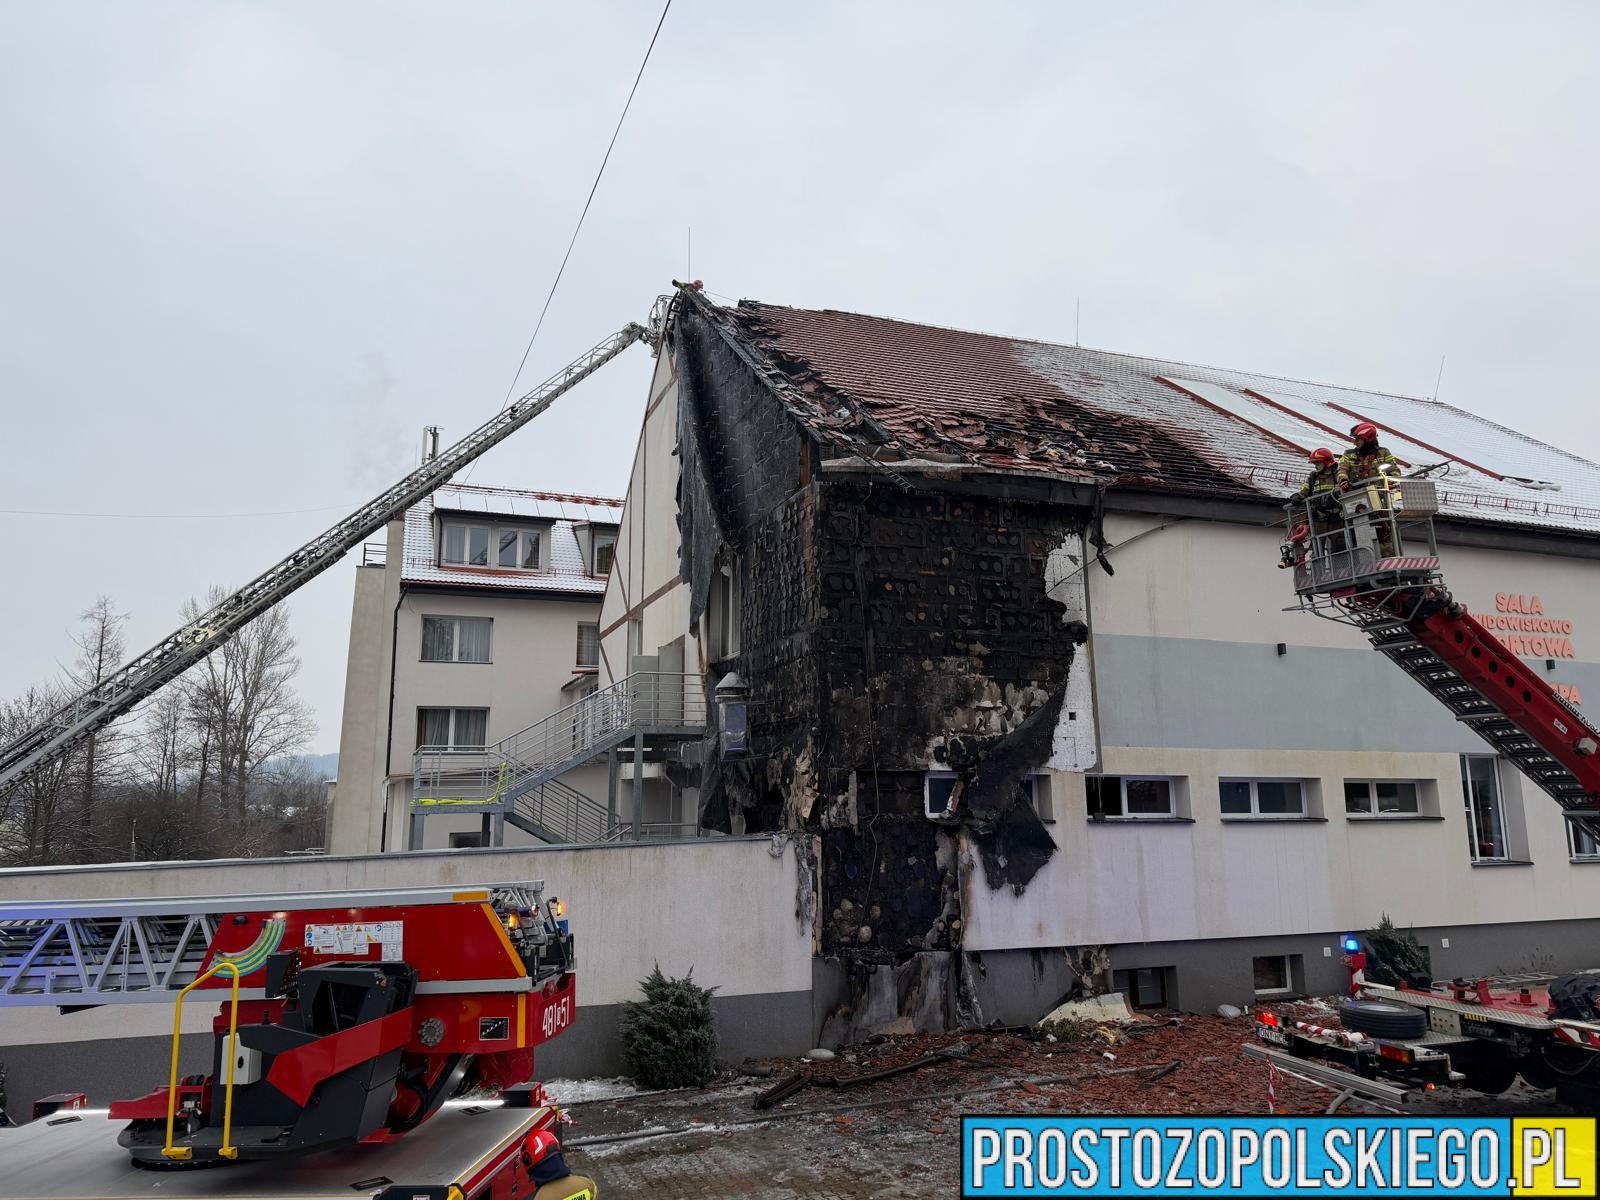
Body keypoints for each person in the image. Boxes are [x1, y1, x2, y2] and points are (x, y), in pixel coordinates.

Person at [1338, 422, 1400, 557]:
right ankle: (1363, 558)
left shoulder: (1383, 453)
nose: (1355, 442)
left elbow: (1395, 471)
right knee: (1358, 532)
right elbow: (1342, 470)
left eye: (1358, 439)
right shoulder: (1348, 454)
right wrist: (1343, 480)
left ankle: (1387, 557)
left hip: (1380, 501)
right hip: (1356, 502)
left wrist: (1390, 481)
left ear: (1368, 439)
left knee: (1384, 529)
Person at [1282, 447, 1344, 564]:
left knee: (1339, 547)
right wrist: (1297, 497)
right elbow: (1304, 492)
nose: (1316, 466)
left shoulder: (1338, 475)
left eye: (1318, 463)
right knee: (1317, 548)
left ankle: (1342, 569)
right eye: (1315, 463)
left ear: (1327, 462)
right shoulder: (1313, 478)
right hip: (1318, 519)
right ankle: (1319, 572)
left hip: (1337, 518)